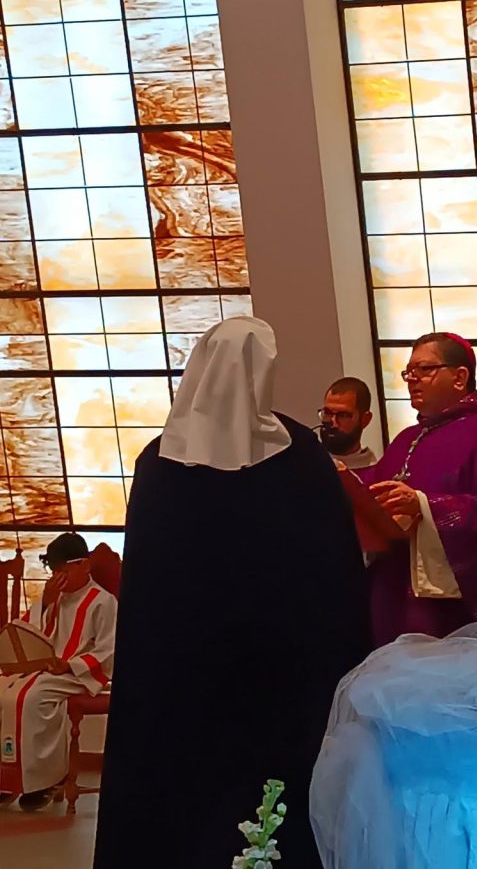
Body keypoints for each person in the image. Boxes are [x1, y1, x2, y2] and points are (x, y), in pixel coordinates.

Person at [93, 318, 371, 869]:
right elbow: (334, 571)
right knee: (273, 785)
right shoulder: (300, 456)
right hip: (280, 667)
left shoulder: (160, 462)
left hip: (183, 667)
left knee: (186, 791)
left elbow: (150, 581)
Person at [356, 332, 477, 647]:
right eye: (408, 372)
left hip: (448, 609)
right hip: (392, 589)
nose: (412, 379)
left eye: (425, 369)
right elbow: (373, 488)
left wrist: (425, 506)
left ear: (460, 377)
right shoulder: (405, 438)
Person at [0, 532, 117, 809]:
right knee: (3, 691)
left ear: (84, 565)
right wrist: (46, 603)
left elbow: (109, 648)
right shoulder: (54, 596)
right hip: (44, 669)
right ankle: (8, 780)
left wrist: (70, 665)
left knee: (34, 698)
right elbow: (28, 633)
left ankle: (43, 781)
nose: (57, 579)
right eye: (53, 572)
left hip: (76, 673)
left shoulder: (103, 602)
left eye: (63, 571)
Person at [319, 376, 376, 469]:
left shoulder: (379, 472)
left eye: (343, 415)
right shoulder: (304, 465)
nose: (333, 423)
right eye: (328, 413)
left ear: (365, 419)